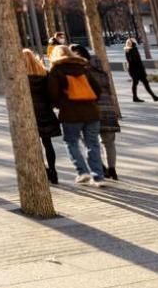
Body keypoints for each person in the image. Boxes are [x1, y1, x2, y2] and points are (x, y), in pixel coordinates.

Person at [46, 44, 105, 186]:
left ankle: (82, 171)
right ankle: (98, 177)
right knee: (93, 144)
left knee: (71, 142)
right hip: (91, 112)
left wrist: (61, 103)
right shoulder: (83, 68)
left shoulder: (56, 70)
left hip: (70, 114)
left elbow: (52, 94)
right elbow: (97, 90)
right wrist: (90, 101)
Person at [75, 44, 121, 181]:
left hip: (90, 111)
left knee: (89, 142)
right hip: (107, 110)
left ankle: (102, 167)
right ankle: (112, 169)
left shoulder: (81, 72)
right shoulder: (101, 71)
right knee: (109, 142)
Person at [22, 49, 61, 185]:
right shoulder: (44, 73)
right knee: (48, 143)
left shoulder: (22, 77)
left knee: (34, 145)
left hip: (30, 113)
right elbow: (51, 92)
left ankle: (44, 170)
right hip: (45, 112)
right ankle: (53, 171)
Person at [123, 38, 158, 102]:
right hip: (137, 70)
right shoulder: (132, 50)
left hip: (134, 70)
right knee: (142, 83)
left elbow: (132, 61)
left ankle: (136, 98)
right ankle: (153, 97)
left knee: (137, 83)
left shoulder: (129, 50)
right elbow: (134, 61)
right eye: (134, 42)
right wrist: (141, 69)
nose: (135, 43)